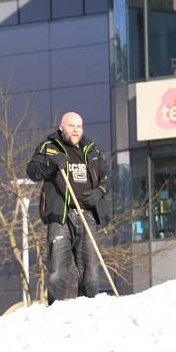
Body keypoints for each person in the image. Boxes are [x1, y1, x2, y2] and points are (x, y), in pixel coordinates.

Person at [27, 112, 111, 305]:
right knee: (57, 272)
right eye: (71, 126)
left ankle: (88, 311)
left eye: (79, 126)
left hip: (88, 215)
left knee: (91, 274)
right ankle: (56, 314)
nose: (76, 130)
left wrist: (99, 191)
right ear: (61, 126)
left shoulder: (91, 150)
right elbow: (32, 171)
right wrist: (51, 164)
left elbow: (107, 176)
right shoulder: (49, 148)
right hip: (61, 217)